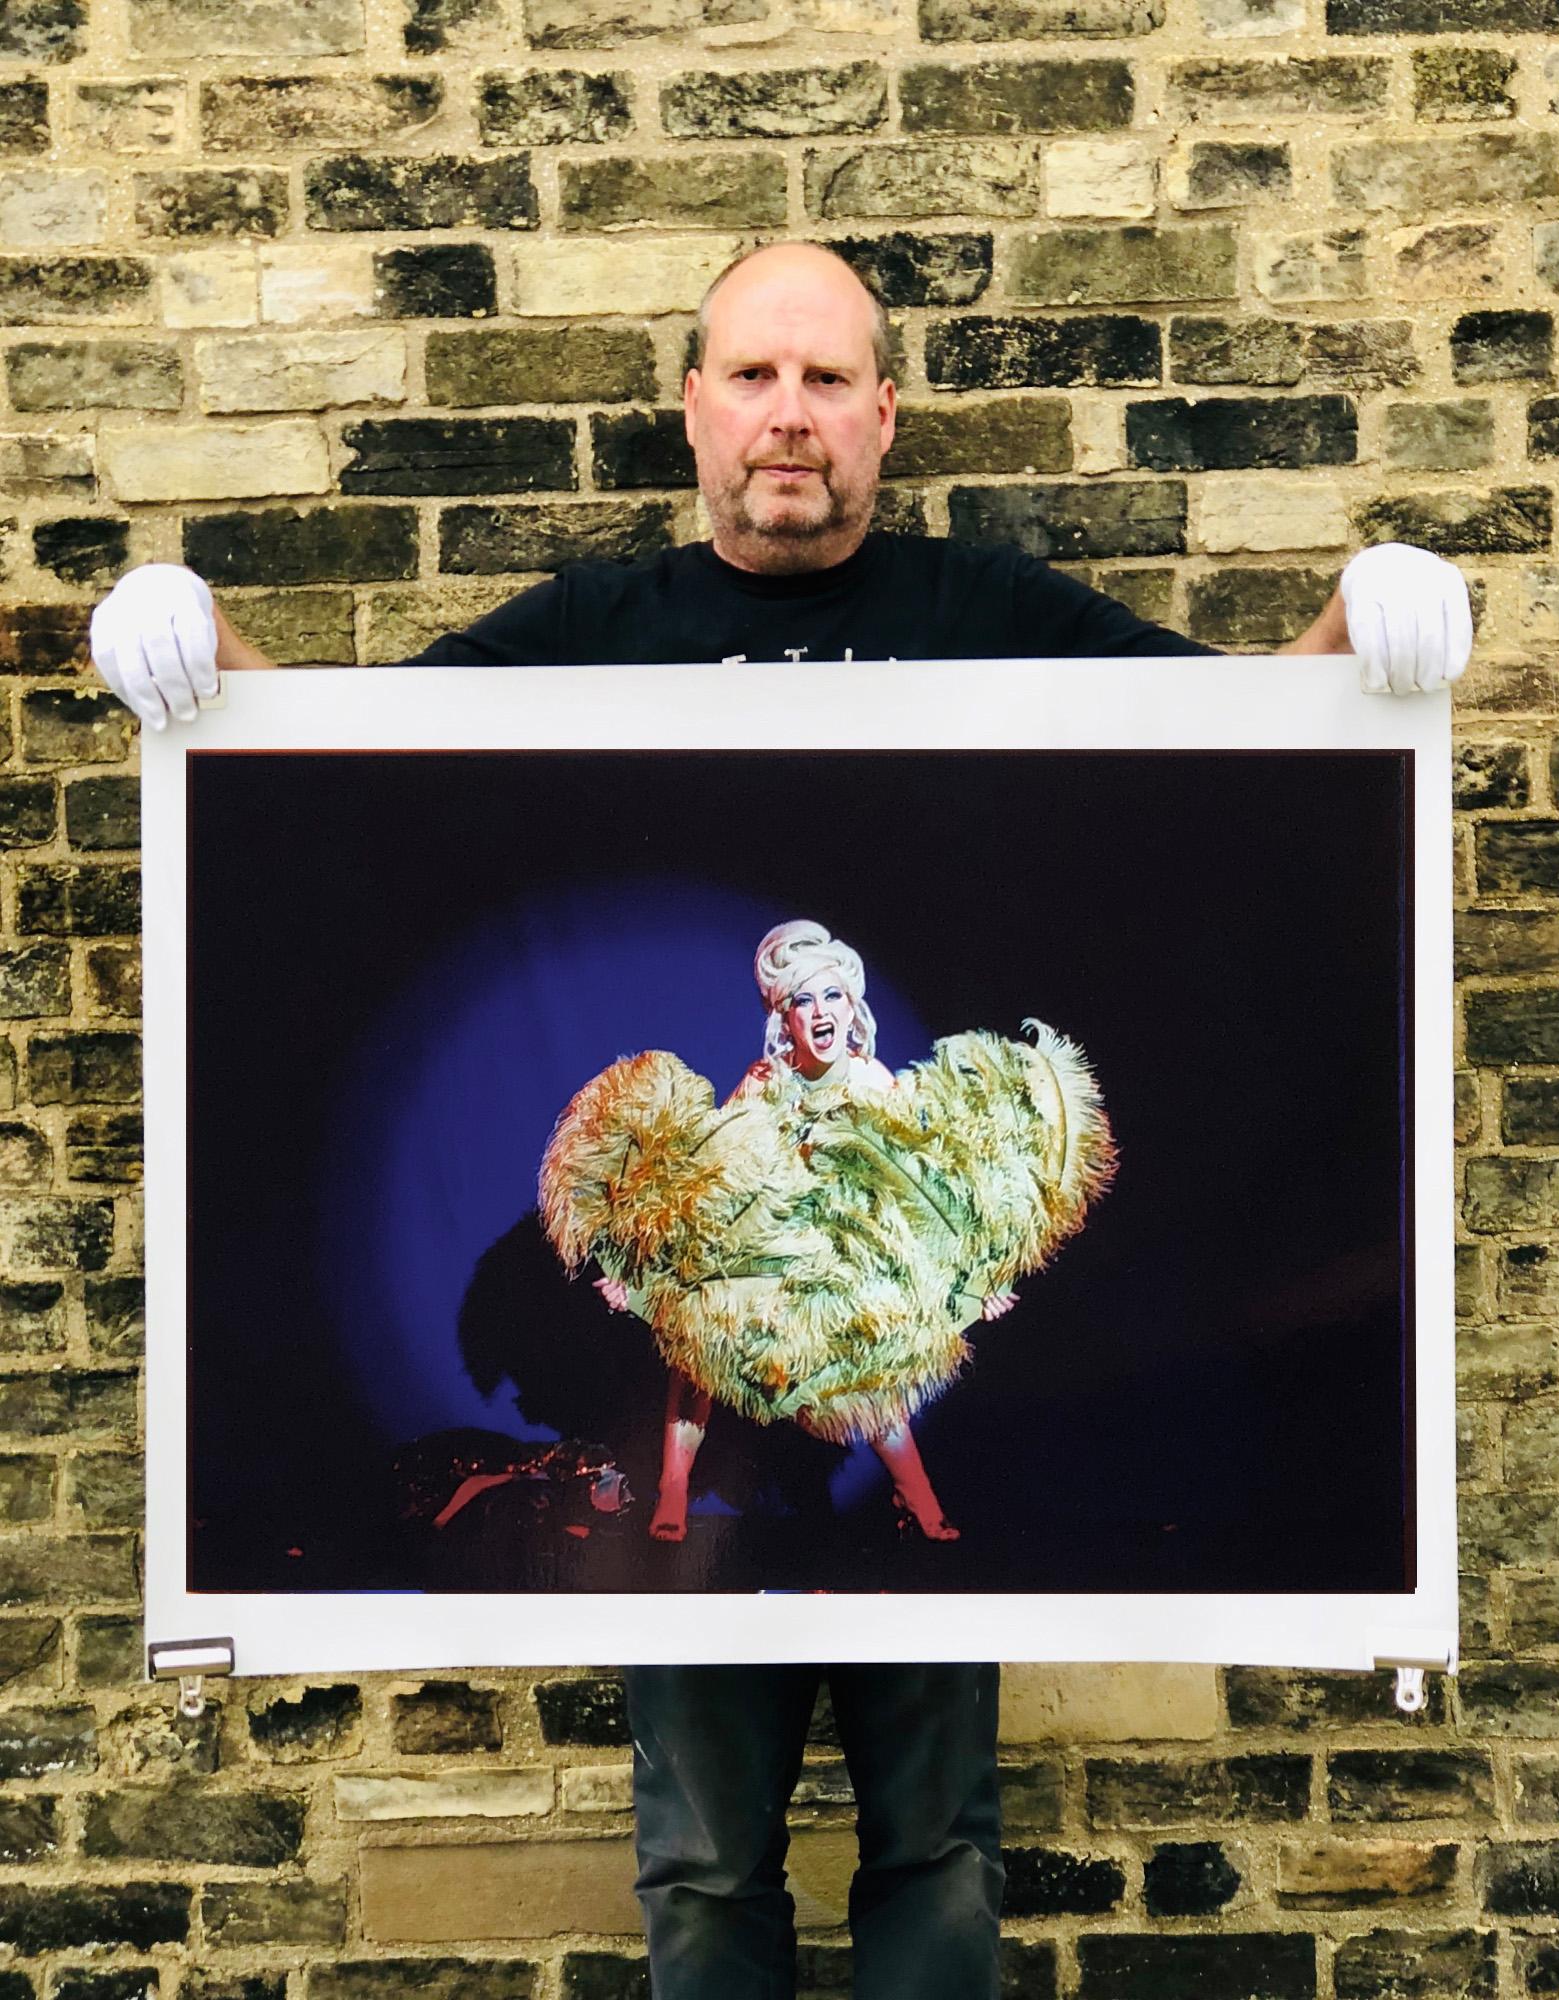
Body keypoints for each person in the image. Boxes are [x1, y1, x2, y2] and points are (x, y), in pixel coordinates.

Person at [92, 239, 1471, 2000]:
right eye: (753, 375)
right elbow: (332, 793)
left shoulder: (997, 615)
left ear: (883, 415)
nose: (788, 416)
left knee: (939, 1850)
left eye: (826, 380)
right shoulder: (588, 638)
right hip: (726, 1364)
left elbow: (1244, 774)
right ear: (691, 406)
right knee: (700, 1863)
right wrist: (200, 650)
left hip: (885, 1324)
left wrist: (1360, 632)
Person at [559, 915, 1099, 1545]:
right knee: (698, 1334)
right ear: (783, 1019)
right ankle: (673, 1489)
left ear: (851, 1008)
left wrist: (978, 1282)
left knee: (874, 1363)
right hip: (768, 1250)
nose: (820, 1013)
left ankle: (917, 1497)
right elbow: (705, 1184)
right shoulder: (764, 1085)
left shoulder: (873, 1082)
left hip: (846, 1253)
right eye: (803, 1000)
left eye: (832, 996)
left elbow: (931, 1191)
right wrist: (643, 1277)